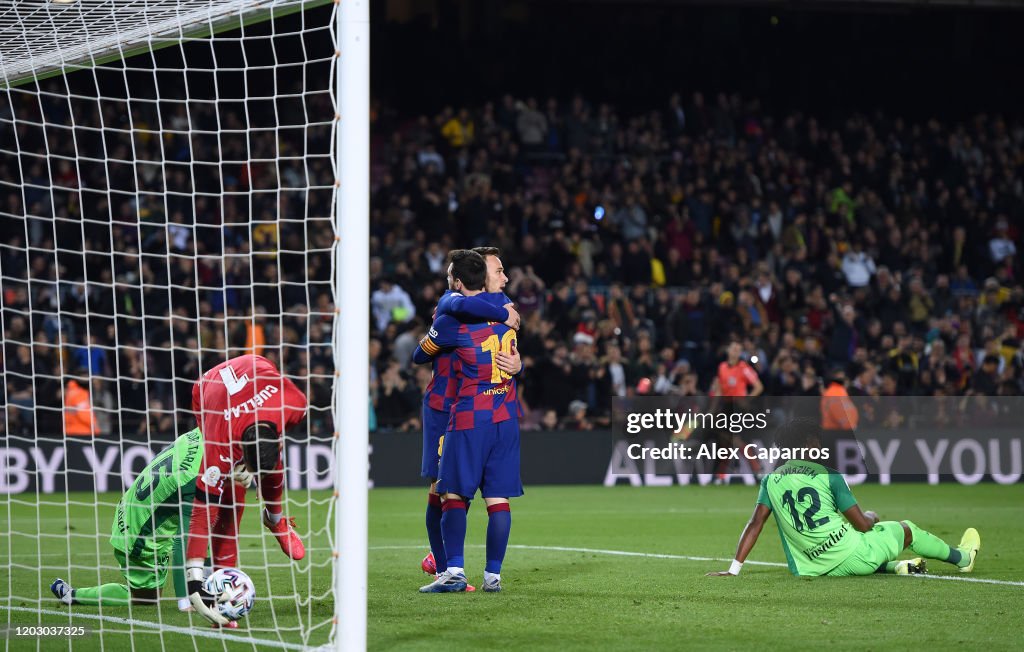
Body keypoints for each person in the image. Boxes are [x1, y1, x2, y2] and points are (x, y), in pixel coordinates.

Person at [706, 418, 980, 578]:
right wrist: (871, 516)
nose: (821, 446)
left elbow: (755, 524)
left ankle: (896, 566)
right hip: (852, 557)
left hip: (809, 568)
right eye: (816, 441)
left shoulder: (771, 479)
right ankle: (962, 559)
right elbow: (862, 525)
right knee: (906, 530)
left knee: (852, 539)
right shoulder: (830, 476)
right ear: (807, 445)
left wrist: (734, 569)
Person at [49, 428, 254, 624]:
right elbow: (186, 541)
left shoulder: (202, 432)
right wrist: (186, 600)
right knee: (146, 598)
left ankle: (71, 594)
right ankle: (73, 595)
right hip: (140, 532)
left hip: (139, 508)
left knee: (204, 537)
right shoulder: (194, 478)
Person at [414, 251, 523, 593]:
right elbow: (458, 304)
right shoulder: (497, 310)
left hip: (467, 407)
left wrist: (518, 365)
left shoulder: (465, 312)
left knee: (449, 491)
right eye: (499, 270)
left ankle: (451, 569)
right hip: (447, 405)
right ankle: (445, 564)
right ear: (482, 275)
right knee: (439, 487)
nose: (504, 277)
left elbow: (421, 353)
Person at [184, 354, 308, 625]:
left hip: (256, 365)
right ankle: (220, 587)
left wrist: (252, 468)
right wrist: (193, 582)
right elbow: (202, 512)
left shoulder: (295, 403)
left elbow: (277, 437)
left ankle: (274, 519)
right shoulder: (220, 442)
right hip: (206, 388)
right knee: (227, 498)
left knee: (273, 467)